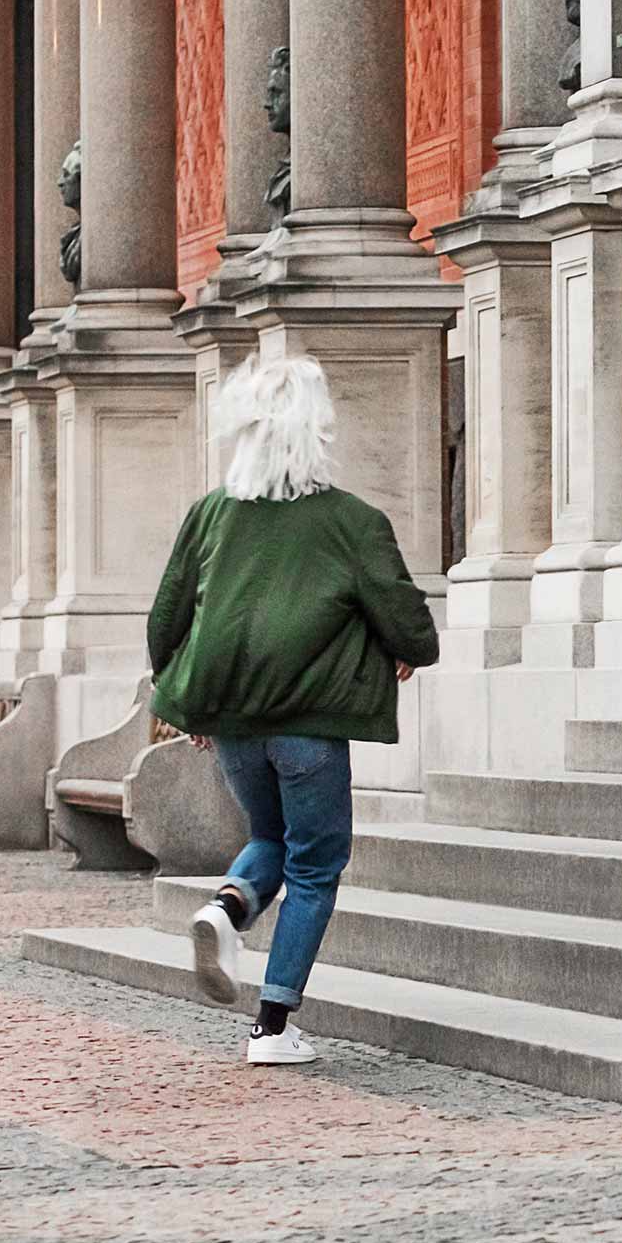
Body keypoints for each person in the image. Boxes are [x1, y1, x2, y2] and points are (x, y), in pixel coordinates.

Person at [146, 357, 440, 1065]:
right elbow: (410, 625)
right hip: (312, 723)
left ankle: (228, 908)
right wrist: (398, 646)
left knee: (270, 837)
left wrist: (183, 696)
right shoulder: (352, 520)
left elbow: (167, 618)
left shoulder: (210, 513)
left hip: (233, 723)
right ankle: (272, 1028)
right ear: (319, 429)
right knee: (314, 864)